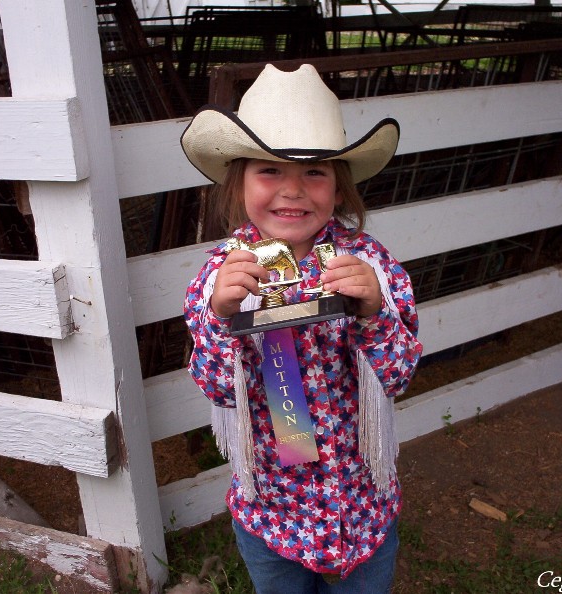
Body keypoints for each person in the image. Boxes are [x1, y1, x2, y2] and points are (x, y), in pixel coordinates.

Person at [181, 63, 422, 593]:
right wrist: (223, 319)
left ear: (339, 189)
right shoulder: (223, 274)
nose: (293, 191)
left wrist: (373, 313)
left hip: (362, 510)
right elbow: (219, 389)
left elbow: (400, 375)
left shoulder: (369, 265)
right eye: (269, 171)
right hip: (274, 513)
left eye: (314, 173)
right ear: (238, 182)